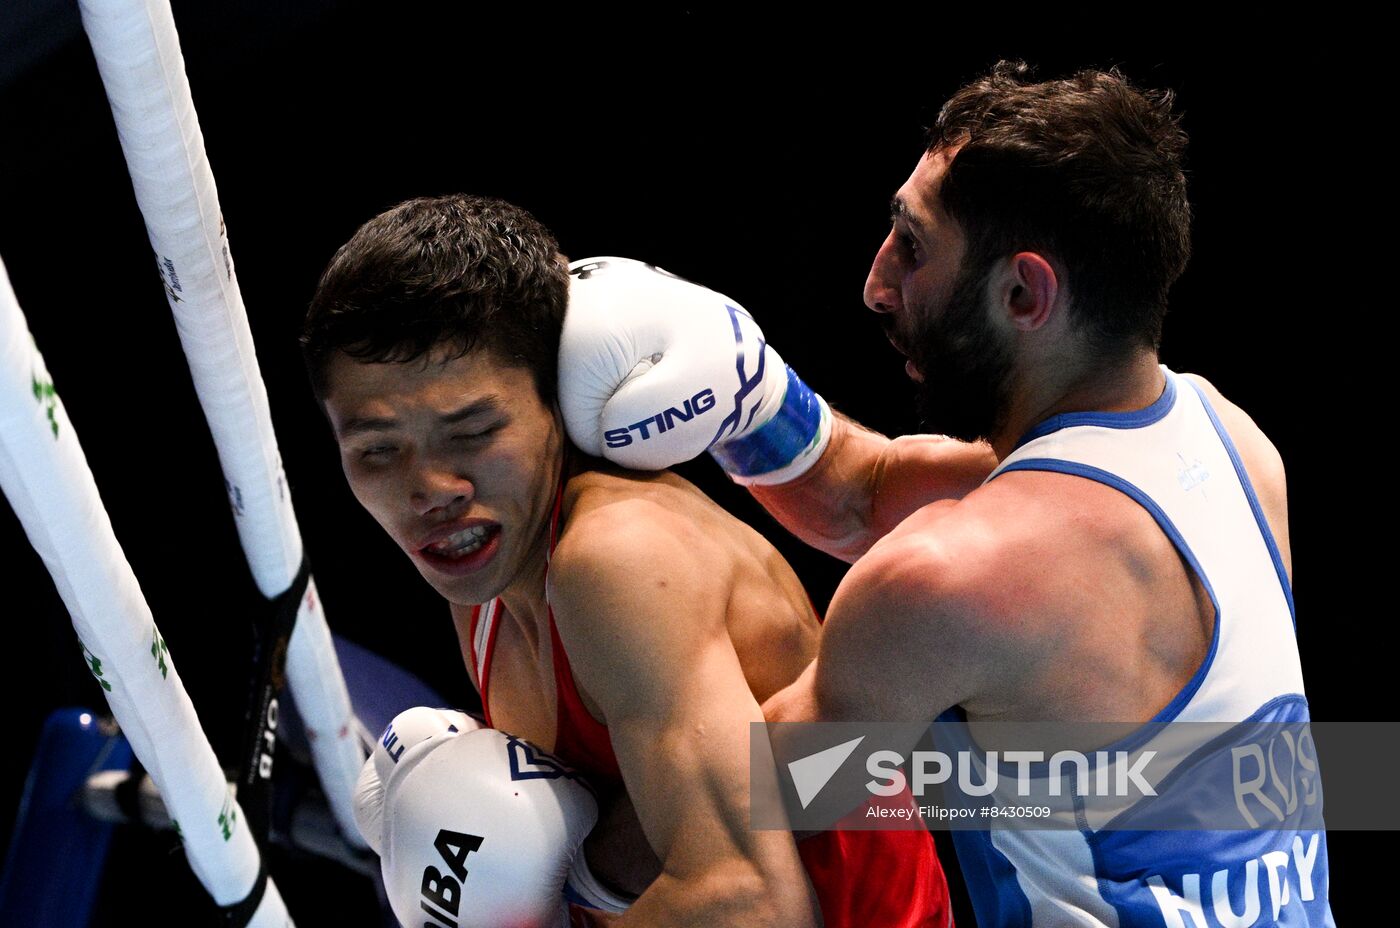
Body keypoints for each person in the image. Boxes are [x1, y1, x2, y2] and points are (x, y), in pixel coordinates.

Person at [559, 62, 1333, 926]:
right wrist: (745, 395)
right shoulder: (1232, 442)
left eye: (913, 246)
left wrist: (554, 868)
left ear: (1022, 292)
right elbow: (864, 489)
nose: (876, 284)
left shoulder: (950, 578)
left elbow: (749, 805)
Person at [299, 195, 952, 927]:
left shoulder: (617, 558)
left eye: (473, 431)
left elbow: (750, 901)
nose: (431, 490)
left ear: (558, 402)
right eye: (378, 451)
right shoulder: (483, 577)